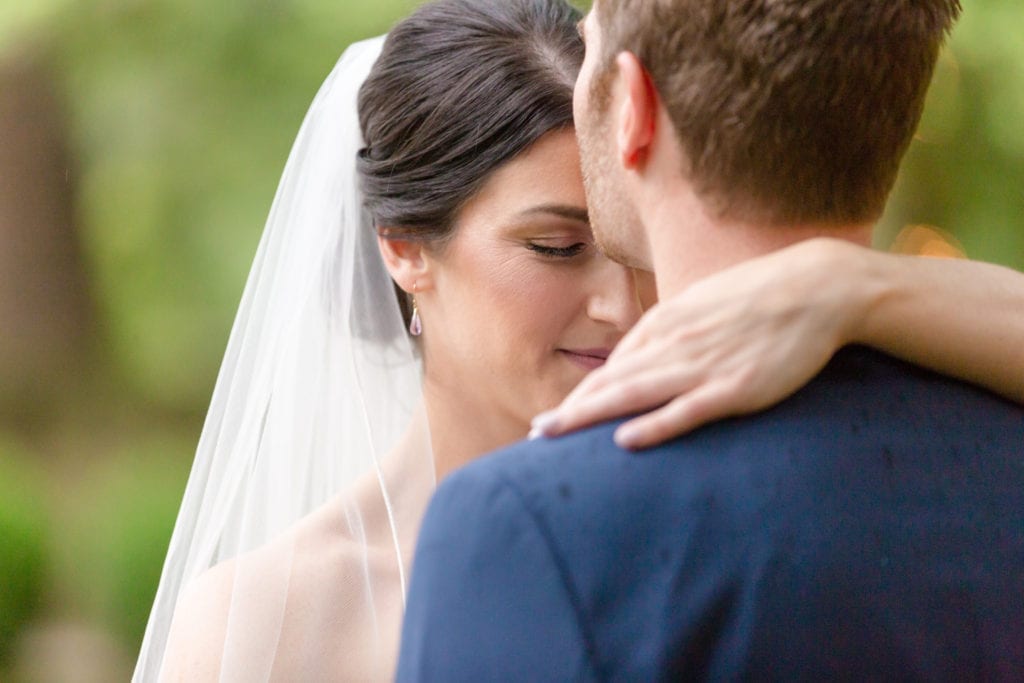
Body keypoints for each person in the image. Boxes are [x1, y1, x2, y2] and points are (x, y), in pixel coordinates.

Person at [137, 0, 1024, 680]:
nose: (620, 305)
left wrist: (856, 288)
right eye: (557, 247)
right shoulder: (254, 619)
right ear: (406, 248)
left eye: (626, 247)